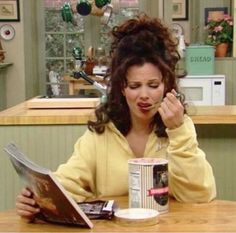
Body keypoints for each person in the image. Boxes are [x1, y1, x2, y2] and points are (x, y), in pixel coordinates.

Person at [16, 14, 216, 219]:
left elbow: (200, 194)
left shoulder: (179, 127)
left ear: (166, 85)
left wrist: (178, 130)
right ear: (122, 87)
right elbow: (69, 182)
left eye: (153, 85)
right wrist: (39, 198)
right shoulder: (102, 132)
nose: (144, 95)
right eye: (134, 86)